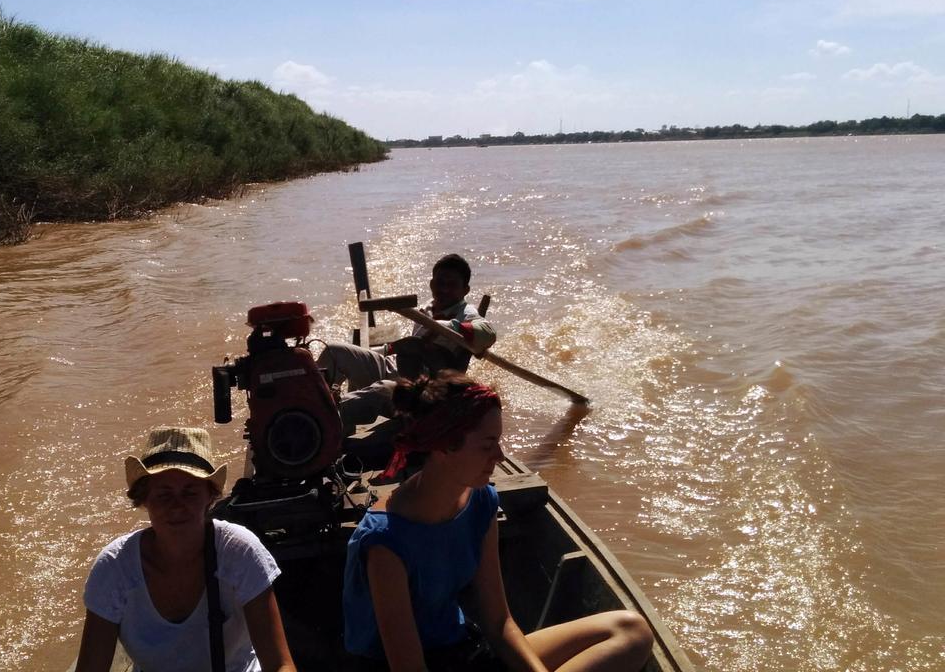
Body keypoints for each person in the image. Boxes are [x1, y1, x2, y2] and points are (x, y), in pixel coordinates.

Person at [342, 373, 653, 671]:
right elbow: (409, 667)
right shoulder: (386, 541)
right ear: (445, 447)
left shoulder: (481, 501)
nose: (500, 456)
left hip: (460, 651)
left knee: (630, 631)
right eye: (487, 444)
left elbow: (498, 623)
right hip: (411, 665)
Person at [75, 427, 297, 672]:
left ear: (209, 497)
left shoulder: (239, 551)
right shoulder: (114, 567)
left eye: (190, 492)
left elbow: (280, 664)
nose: (177, 507)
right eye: (163, 495)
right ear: (144, 499)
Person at [318, 253, 497, 429]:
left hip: (421, 392)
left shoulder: (467, 314)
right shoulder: (428, 306)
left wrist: (446, 327)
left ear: (465, 290)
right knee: (333, 352)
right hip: (395, 367)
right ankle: (314, 402)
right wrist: (383, 351)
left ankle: (320, 420)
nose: (444, 289)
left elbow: (489, 333)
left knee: (380, 391)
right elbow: (403, 347)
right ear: (431, 284)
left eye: (452, 285)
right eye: (440, 283)